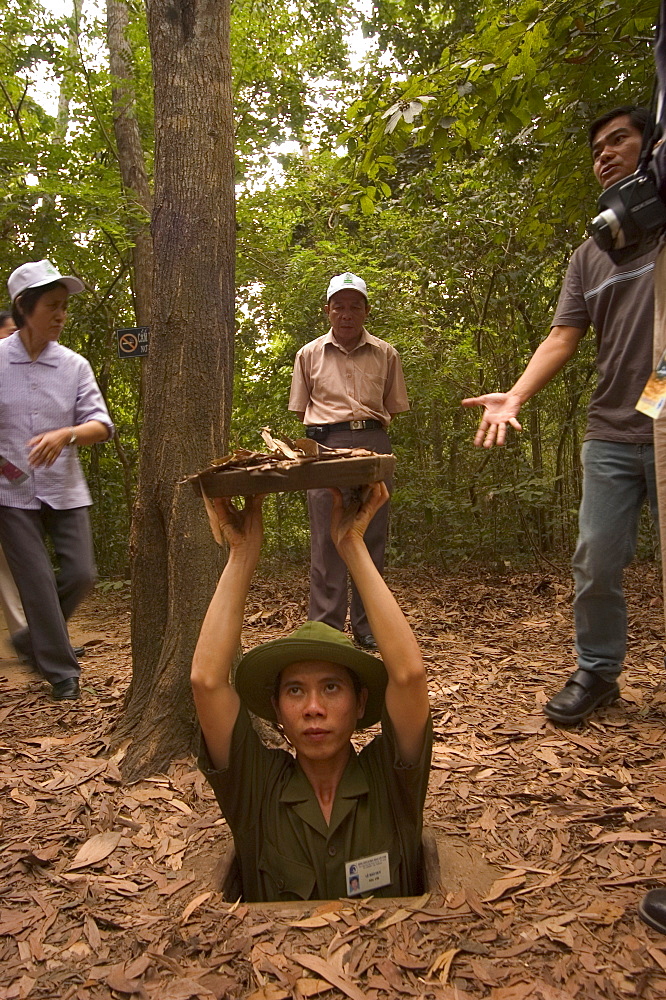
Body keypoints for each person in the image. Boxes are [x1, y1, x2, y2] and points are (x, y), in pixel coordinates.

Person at [462, 106, 658, 727]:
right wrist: (515, 396)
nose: (604, 153)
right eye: (597, 148)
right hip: (612, 433)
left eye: (619, 140)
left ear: (651, 146)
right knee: (595, 558)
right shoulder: (589, 257)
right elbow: (561, 337)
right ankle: (598, 673)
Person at [191, 482, 432, 902]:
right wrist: (242, 554)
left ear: (360, 703)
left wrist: (351, 545)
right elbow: (207, 682)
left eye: (332, 688)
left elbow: (409, 676)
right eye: (296, 691)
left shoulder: (392, 781)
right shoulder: (257, 788)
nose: (314, 709)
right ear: (276, 709)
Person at [0, 260, 114, 701]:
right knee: (37, 583)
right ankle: (63, 672)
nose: (62, 315)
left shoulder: (74, 366)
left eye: (65, 307)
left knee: (81, 573)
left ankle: (32, 641)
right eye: (52, 306)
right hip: (11, 496)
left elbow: (100, 425)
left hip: (65, 489)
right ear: (24, 307)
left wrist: (66, 433)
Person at [289, 272, 409, 650]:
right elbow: (300, 409)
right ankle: (325, 628)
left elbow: (393, 406)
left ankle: (369, 626)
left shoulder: (386, 354)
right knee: (327, 540)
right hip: (325, 445)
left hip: (373, 441)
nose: (346, 313)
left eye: (354, 305)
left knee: (371, 535)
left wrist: (366, 437)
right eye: (339, 306)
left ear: (366, 311)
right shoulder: (308, 354)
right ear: (327, 310)